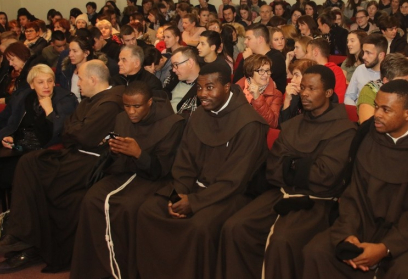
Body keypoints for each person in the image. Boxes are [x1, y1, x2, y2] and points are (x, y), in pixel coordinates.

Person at [303, 80, 408, 279]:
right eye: (376, 106)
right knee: (316, 251)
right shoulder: (365, 136)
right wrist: (346, 235)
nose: (377, 114)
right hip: (364, 224)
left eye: (386, 109)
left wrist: (385, 248)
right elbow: (352, 195)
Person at [218, 65, 357, 279]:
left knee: (282, 242)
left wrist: (291, 164)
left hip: (317, 202)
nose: (305, 93)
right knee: (235, 227)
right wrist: (302, 165)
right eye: (302, 88)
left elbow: (325, 176)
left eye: (312, 88)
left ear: (329, 93)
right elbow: (273, 167)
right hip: (280, 193)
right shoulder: (293, 124)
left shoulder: (344, 130)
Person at [136, 63, 269, 279]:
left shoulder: (249, 124)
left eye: (209, 88)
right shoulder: (199, 115)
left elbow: (235, 180)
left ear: (227, 87)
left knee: (199, 226)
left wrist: (194, 203)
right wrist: (178, 194)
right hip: (192, 189)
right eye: (199, 88)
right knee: (149, 210)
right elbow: (184, 162)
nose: (202, 94)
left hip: (230, 195)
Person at [0, 60, 124, 273]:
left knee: (37, 174)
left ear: (93, 80)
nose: (78, 84)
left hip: (92, 162)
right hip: (75, 153)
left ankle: (24, 240)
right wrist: (76, 130)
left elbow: (81, 134)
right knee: (30, 162)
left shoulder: (111, 102)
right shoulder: (89, 100)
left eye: (82, 79)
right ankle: (21, 236)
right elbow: (69, 130)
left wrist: (76, 130)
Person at [70, 82, 185, 279]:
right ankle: (95, 272)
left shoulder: (172, 123)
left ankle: (125, 271)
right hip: (125, 173)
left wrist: (139, 154)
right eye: (127, 106)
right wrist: (114, 150)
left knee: (129, 207)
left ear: (149, 102)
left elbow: (165, 168)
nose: (131, 112)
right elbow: (115, 162)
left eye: (137, 106)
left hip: (157, 179)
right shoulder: (122, 118)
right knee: (91, 199)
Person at [0, 65, 78, 189]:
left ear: (54, 83)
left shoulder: (66, 100)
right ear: (32, 85)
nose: (46, 86)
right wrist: (7, 136)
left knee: (14, 172)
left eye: (49, 81)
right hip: (18, 147)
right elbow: (5, 120)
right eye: (40, 82)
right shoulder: (24, 98)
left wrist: (49, 110)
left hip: (44, 151)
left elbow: (60, 131)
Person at [357, 54, 408, 124]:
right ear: (386, 81)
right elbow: (368, 127)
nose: (407, 85)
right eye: (401, 82)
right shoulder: (370, 91)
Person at [233, 24, 287, 94]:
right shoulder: (249, 55)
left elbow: (260, 82)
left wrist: (248, 60)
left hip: (269, 100)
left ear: (260, 39)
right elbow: (236, 82)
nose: (245, 42)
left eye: (248, 39)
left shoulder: (276, 58)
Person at [236, 54, 283, 128]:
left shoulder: (276, 94)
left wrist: (257, 98)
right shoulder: (237, 89)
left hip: (258, 132)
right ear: (250, 72)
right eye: (261, 71)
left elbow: (273, 123)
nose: (265, 75)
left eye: (267, 71)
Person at [345, 34, 387, 106]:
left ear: (381, 55)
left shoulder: (390, 73)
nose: (363, 57)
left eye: (368, 53)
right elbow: (349, 96)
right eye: (363, 52)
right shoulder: (360, 69)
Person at [304, 38, 347, 103]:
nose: (305, 56)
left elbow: (339, 99)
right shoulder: (307, 70)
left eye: (307, 52)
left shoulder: (335, 71)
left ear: (315, 52)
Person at [163, 46, 201, 118]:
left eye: (176, 65)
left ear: (190, 63)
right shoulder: (172, 78)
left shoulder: (202, 90)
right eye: (172, 66)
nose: (174, 70)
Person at [278, 58, 317, 125]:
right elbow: (283, 125)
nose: (292, 80)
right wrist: (287, 100)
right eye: (293, 76)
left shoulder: (318, 98)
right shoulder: (295, 96)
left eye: (296, 75)